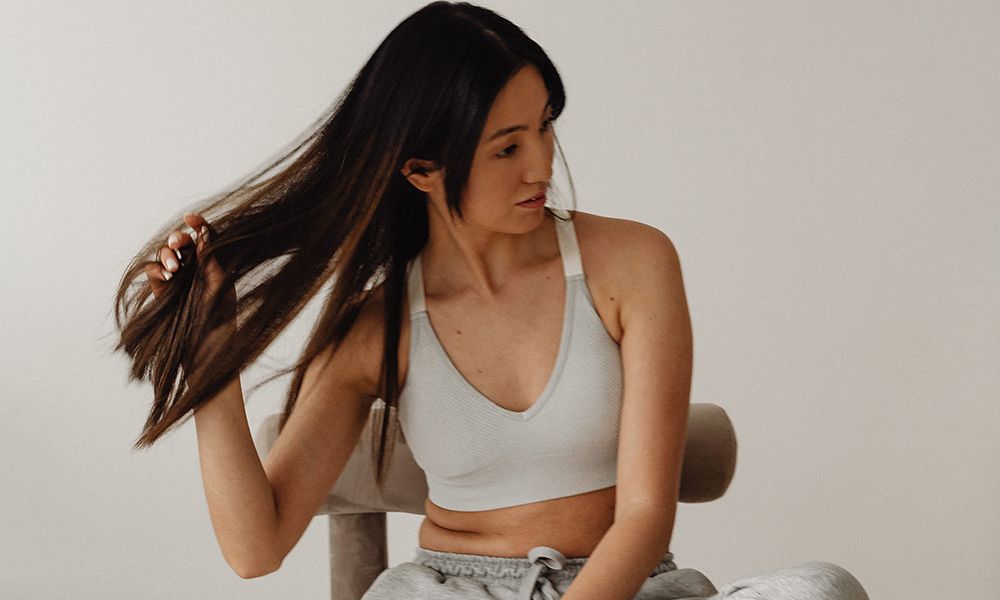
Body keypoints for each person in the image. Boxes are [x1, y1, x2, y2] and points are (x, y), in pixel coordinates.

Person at [114, 2, 871, 599]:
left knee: (821, 589)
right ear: (421, 171)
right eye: (506, 147)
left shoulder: (633, 262)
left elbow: (642, 518)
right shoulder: (377, 326)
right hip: (445, 591)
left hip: (626, 586)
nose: (542, 164)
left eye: (545, 126)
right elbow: (256, 550)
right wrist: (212, 361)